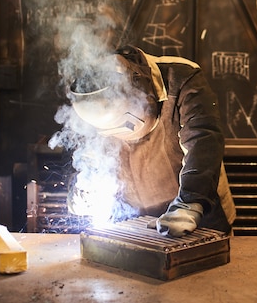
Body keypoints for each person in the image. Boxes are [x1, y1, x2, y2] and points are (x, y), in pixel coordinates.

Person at [66, 45, 236, 237]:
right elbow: (87, 156)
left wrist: (191, 201)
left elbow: (203, 138)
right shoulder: (88, 98)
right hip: (130, 223)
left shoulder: (180, 76)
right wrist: (83, 189)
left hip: (197, 216)